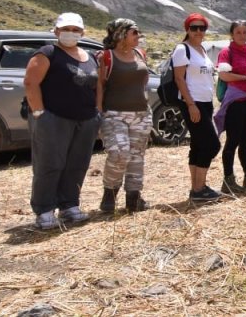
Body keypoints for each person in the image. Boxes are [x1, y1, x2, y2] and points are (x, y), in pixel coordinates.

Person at [23, 13, 102, 229]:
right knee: (50, 163)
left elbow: (97, 85)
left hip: (85, 119)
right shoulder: (48, 53)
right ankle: (44, 210)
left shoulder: (89, 56)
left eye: (76, 30)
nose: (71, 33)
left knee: (77, 164)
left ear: (82, 32)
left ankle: (69, 206)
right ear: (57, 31)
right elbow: (31, 82)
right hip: (54, 118)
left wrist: (98, 111)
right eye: (66, 29)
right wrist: (39, 113)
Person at [95, 18, 152, 214]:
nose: (138, 36)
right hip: (114, 114)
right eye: (134, 32)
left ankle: (134, 198)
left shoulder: (140, 54)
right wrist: (99, 110)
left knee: (137, 157)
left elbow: (143, 82)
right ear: (121, 34)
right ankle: (109, 193)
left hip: (141, 114)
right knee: (119, 153)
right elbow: (100, 84)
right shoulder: (107, 57)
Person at [173, 13, 222, 203]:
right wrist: (191, 104)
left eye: (202, 28)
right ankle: (199, 189)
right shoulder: (182, 49)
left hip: (205, 102)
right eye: (194, 28)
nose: (199, 31)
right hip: (192, 102)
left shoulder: (201, 49)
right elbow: (179, 78)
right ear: (187, 29)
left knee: (198, 144)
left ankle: (196, 189)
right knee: (212, 144)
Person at [214, 20, 246, 194]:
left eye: (245, 32)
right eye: (238, 32)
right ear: (232, 34)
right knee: (233, 141)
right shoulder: (227, 52)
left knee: (245, 141)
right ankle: (228, 180)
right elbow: (224, 75)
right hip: (235, 102)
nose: (242, 35)